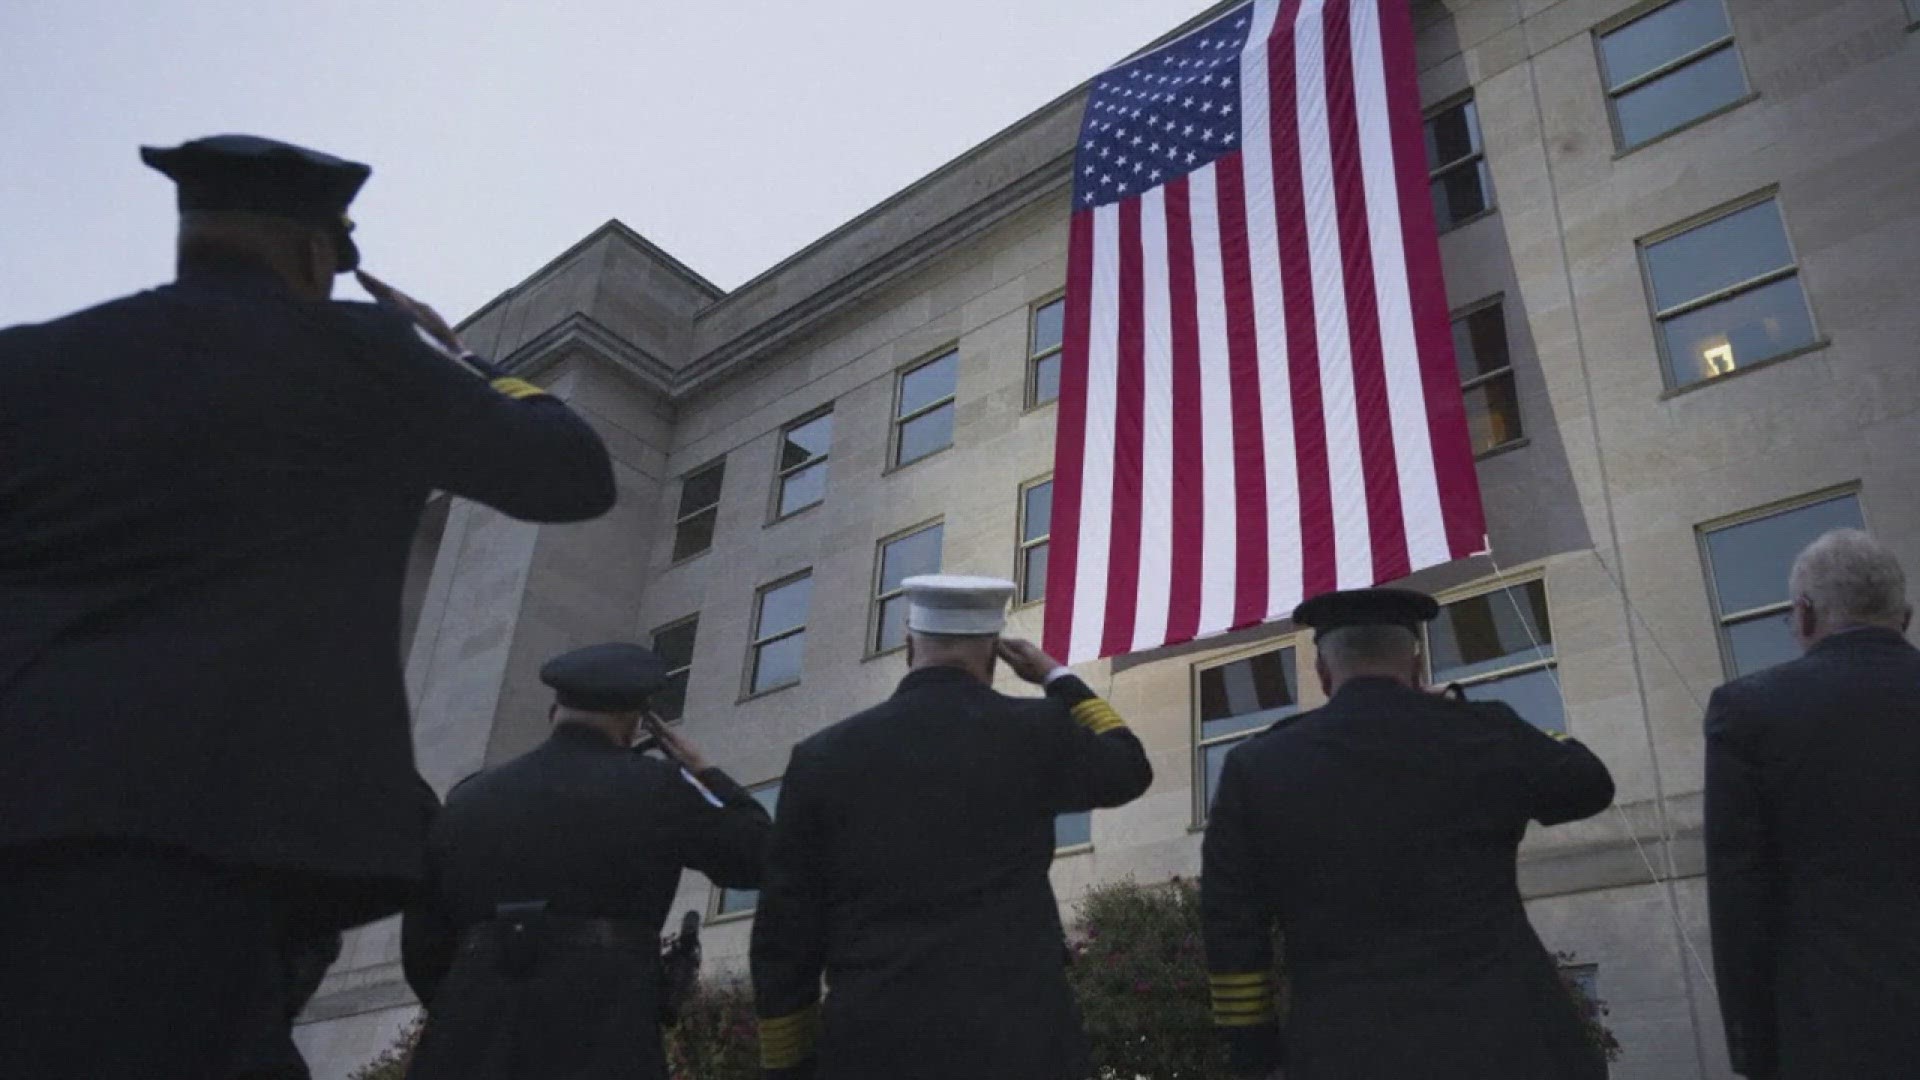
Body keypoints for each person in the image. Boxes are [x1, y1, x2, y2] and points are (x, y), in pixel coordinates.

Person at [0, 134, 615, 1080]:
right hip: (206, 837)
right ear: (312, 250)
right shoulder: (363, 357)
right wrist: (468, 361)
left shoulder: (29, 364)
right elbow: (572, 473)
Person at [750, 575, 1154, 1080]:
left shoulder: (821, 758)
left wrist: (787, 1064)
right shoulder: (1036, 730)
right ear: (995, 654)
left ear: (908, 644)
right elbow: (1129, 768)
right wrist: (1057, 678)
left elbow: (786, 929)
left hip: (873, 1038)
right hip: (1019, 1037)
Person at [1201, 587, 1614, 1080]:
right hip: (1507, 1038)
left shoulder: (1256, 767)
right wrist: (1470, 713)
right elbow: (1588, 782)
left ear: (1323, 674)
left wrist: (1254, 1051)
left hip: (1344, 1047)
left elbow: (1230, 926)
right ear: (1417, 667)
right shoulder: (1485, 731)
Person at [402, 642, 772, 1080]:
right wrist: (704, 771)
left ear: (554, 711)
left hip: (467, 1038)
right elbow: (758, 859)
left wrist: (477, 1003)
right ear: (636, 723)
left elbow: (423, 946)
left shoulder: (467, 799)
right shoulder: (658, 788)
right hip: (604, 1031)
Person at [1705, 528, 1920, 1079]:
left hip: (1835, 1032)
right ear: (1906, 616)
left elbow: (1739, 897)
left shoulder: (1749, 712)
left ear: (1802, 614)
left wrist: (1754, 1053)